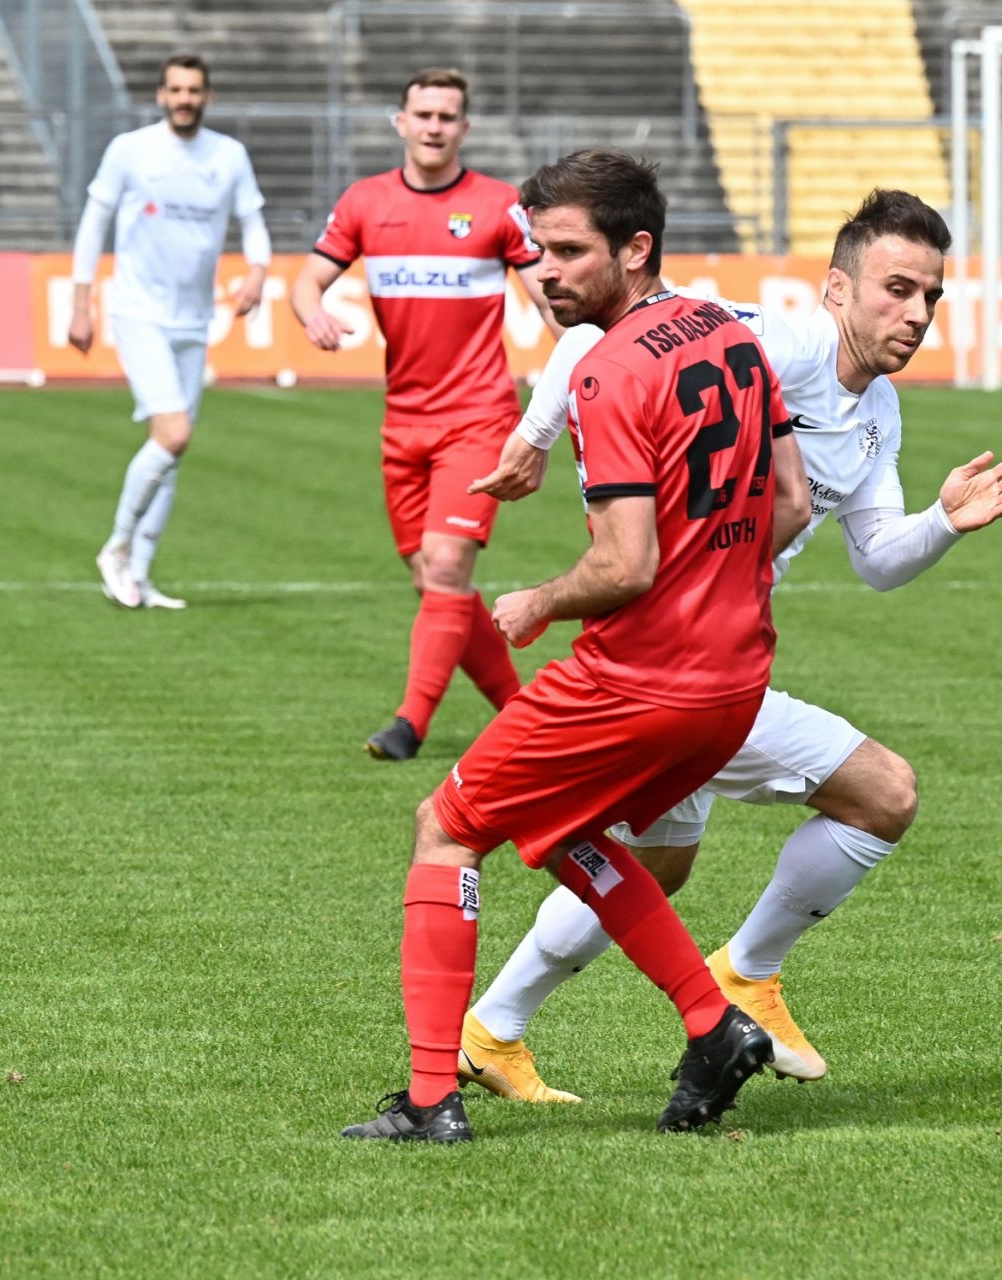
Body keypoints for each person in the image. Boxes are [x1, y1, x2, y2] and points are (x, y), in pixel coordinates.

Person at [448, 190, 1002, 1102]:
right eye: (896, 289)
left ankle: (494, 1030)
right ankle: (748, 974)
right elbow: (602, 336)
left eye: (931, 295)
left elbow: (878, 562)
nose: (917, 314)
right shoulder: (784, 343)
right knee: (883, 793)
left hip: (704, 651)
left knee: (657, 865)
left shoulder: (878, 410)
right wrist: (533, 441)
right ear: (836, 289)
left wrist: (945, 522)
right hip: (675, 656)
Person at [341, 149, 812, 1143]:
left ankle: (432, 1097)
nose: (541, 271)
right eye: (536, 250)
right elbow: (794, 503)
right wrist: (715, 585)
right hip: (735, 677)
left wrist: (540, 600)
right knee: (561, 830)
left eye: (565, 252)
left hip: (642, 675)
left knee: (448, 822)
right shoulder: (732, 332)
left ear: (636, 250)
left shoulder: (609, 369)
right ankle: (712, 1025)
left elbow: (626, 562)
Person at [289, 67, 562, 761]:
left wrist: (590, 370)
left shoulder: (500, 207)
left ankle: (409, 724)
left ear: (464, 128)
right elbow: (307, 279)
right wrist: (311, 311)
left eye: (448, 116)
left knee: (444, 567)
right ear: (401, 122)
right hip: (402, 421)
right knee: (435, 580)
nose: (435, 126)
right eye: (424, 114)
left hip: (478, 416)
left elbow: (552, 305)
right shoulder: (364, 203)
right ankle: (525, 711)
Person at [73, 54, 270, 611]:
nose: (185, 98)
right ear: (161, 95)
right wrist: (80, 302)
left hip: (194, 319)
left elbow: (253, 220)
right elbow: (94, 222)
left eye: (194, 90)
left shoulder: (228, 156)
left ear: (206, 96)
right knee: (173, 433)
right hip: (138, 312)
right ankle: (115, 547)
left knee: (171, 452)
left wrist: (257, 271)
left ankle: (138, 574)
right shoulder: (130, 150)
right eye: (176, 89)